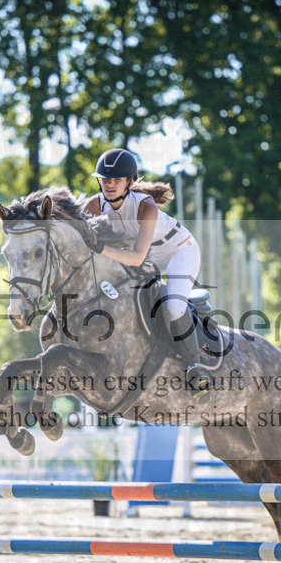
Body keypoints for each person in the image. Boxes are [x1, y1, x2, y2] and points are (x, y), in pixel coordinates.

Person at [82, 148, 210, 398]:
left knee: (173, 307)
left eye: (116, 180)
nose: (109, 184)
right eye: (104, 179)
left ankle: (195, 366)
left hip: (177, 252)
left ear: (130, 182)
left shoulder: (145, 207)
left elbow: (137, 257)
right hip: (146, 259)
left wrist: (100, 247)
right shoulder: (93, 206)